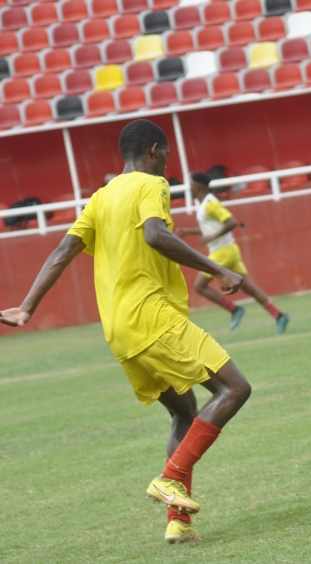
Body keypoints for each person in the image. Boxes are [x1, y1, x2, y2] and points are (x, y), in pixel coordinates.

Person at [0, 120, 252, 544]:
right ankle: (169, 477)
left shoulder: (101, 196)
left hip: (119, 331)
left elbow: (63, 251)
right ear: (154, 151)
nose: (168, 164)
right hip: (152, 318)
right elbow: (156, 235)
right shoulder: (151, 186)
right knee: (234, 389)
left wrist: (27, 306)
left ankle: (179, 523)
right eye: (167, 156)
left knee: (183, 412)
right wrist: (217, 267)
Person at [176, 172, 290, 333]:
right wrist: (189, 231)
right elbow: (211, 227)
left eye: (191, 185)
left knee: (200, 286)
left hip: (223, 251)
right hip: (229, 249)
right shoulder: (204, 205)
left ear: (197, 187)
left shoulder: (210, 204)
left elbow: (231, 222)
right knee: (248, 286)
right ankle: (279, 315)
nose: (189, 189)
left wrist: (211, 237)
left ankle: (234, 310)